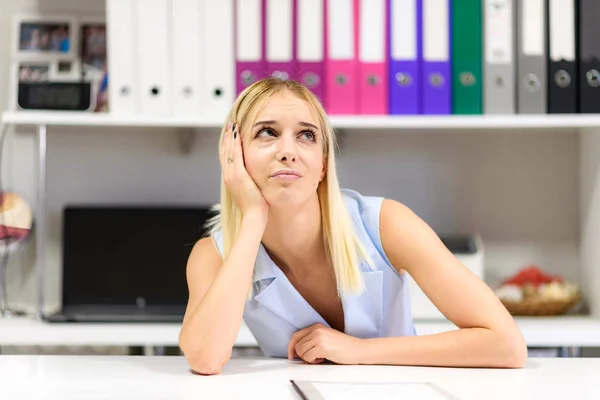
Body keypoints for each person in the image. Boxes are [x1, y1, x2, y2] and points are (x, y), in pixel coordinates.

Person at [178, 77, 527, 375]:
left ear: (324, 164)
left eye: (306, 136)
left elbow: (507, 345)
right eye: (267, 133)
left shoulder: (385, 223)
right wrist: (253, 217)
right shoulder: (213, 255)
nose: (288, 151)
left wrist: (360, 352)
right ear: (233, 154)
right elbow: (206, 359)